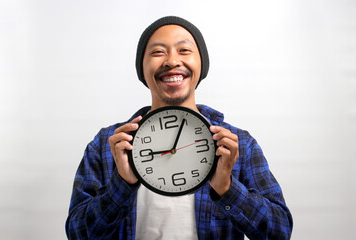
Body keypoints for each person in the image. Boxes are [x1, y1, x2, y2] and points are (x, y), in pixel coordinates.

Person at [65, 16, 293, 239]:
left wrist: (227, 189)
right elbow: (77, 233)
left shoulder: (237, 144)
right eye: (157, 52)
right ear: (142, 69)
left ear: (201, 64)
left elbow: (279, 231)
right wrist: (122, 185)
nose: (172, 61)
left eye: (184, 51)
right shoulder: (110, 144)